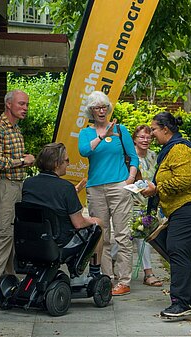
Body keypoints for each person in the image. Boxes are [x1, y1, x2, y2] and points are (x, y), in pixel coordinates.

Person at [141, 112, 191, 320]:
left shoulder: (180, 148)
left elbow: (184, 180)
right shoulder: (169, 149)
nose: (152, 133)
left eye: (154, 129)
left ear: (166, 129)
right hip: (183, 208)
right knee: (179, 251)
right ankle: (189, 301)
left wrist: (156, 188)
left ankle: (181, 303)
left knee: (177, 250)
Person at [78, 91, 138, 296]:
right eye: (97, 107)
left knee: (123, 235)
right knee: (101, 236)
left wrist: (129, 180)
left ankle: (124, 280)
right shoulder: (87, 133)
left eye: (104, 107)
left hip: (119, 186)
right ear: (91, 111)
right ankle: (106, 278)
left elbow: (134, 157)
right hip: (95, 188)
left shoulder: (121, 130)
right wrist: (102, 136)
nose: (102, 111)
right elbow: (84, 151)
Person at [0, 90, 36, 301]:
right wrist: (23, 160)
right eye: (21, 104)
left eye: (27, 105)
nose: (25, 108)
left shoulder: (15, 128)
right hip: (3, 186)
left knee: (12, 235)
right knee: (1, 234)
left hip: (16, 185)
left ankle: (8, 281)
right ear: (8, 104)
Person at [22, 143, 102, 256]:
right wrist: (94, 220)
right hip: (60, 241)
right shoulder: (66, 187)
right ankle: (94, 271)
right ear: (56, 164)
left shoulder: (28, 183)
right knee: (97, 225)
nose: (68, 164)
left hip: (32, 238)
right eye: (66, 160)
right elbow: (79, 223)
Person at [111, 125, 163, 286]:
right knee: (131, 236)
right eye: (141, 137)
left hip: (148, 203)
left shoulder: (154, 156)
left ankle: (111, 262)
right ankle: (147, 273)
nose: (145, 140)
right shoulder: (127, 157)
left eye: (148, 137)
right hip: (129, 201)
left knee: (139, 235)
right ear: (134, 138)